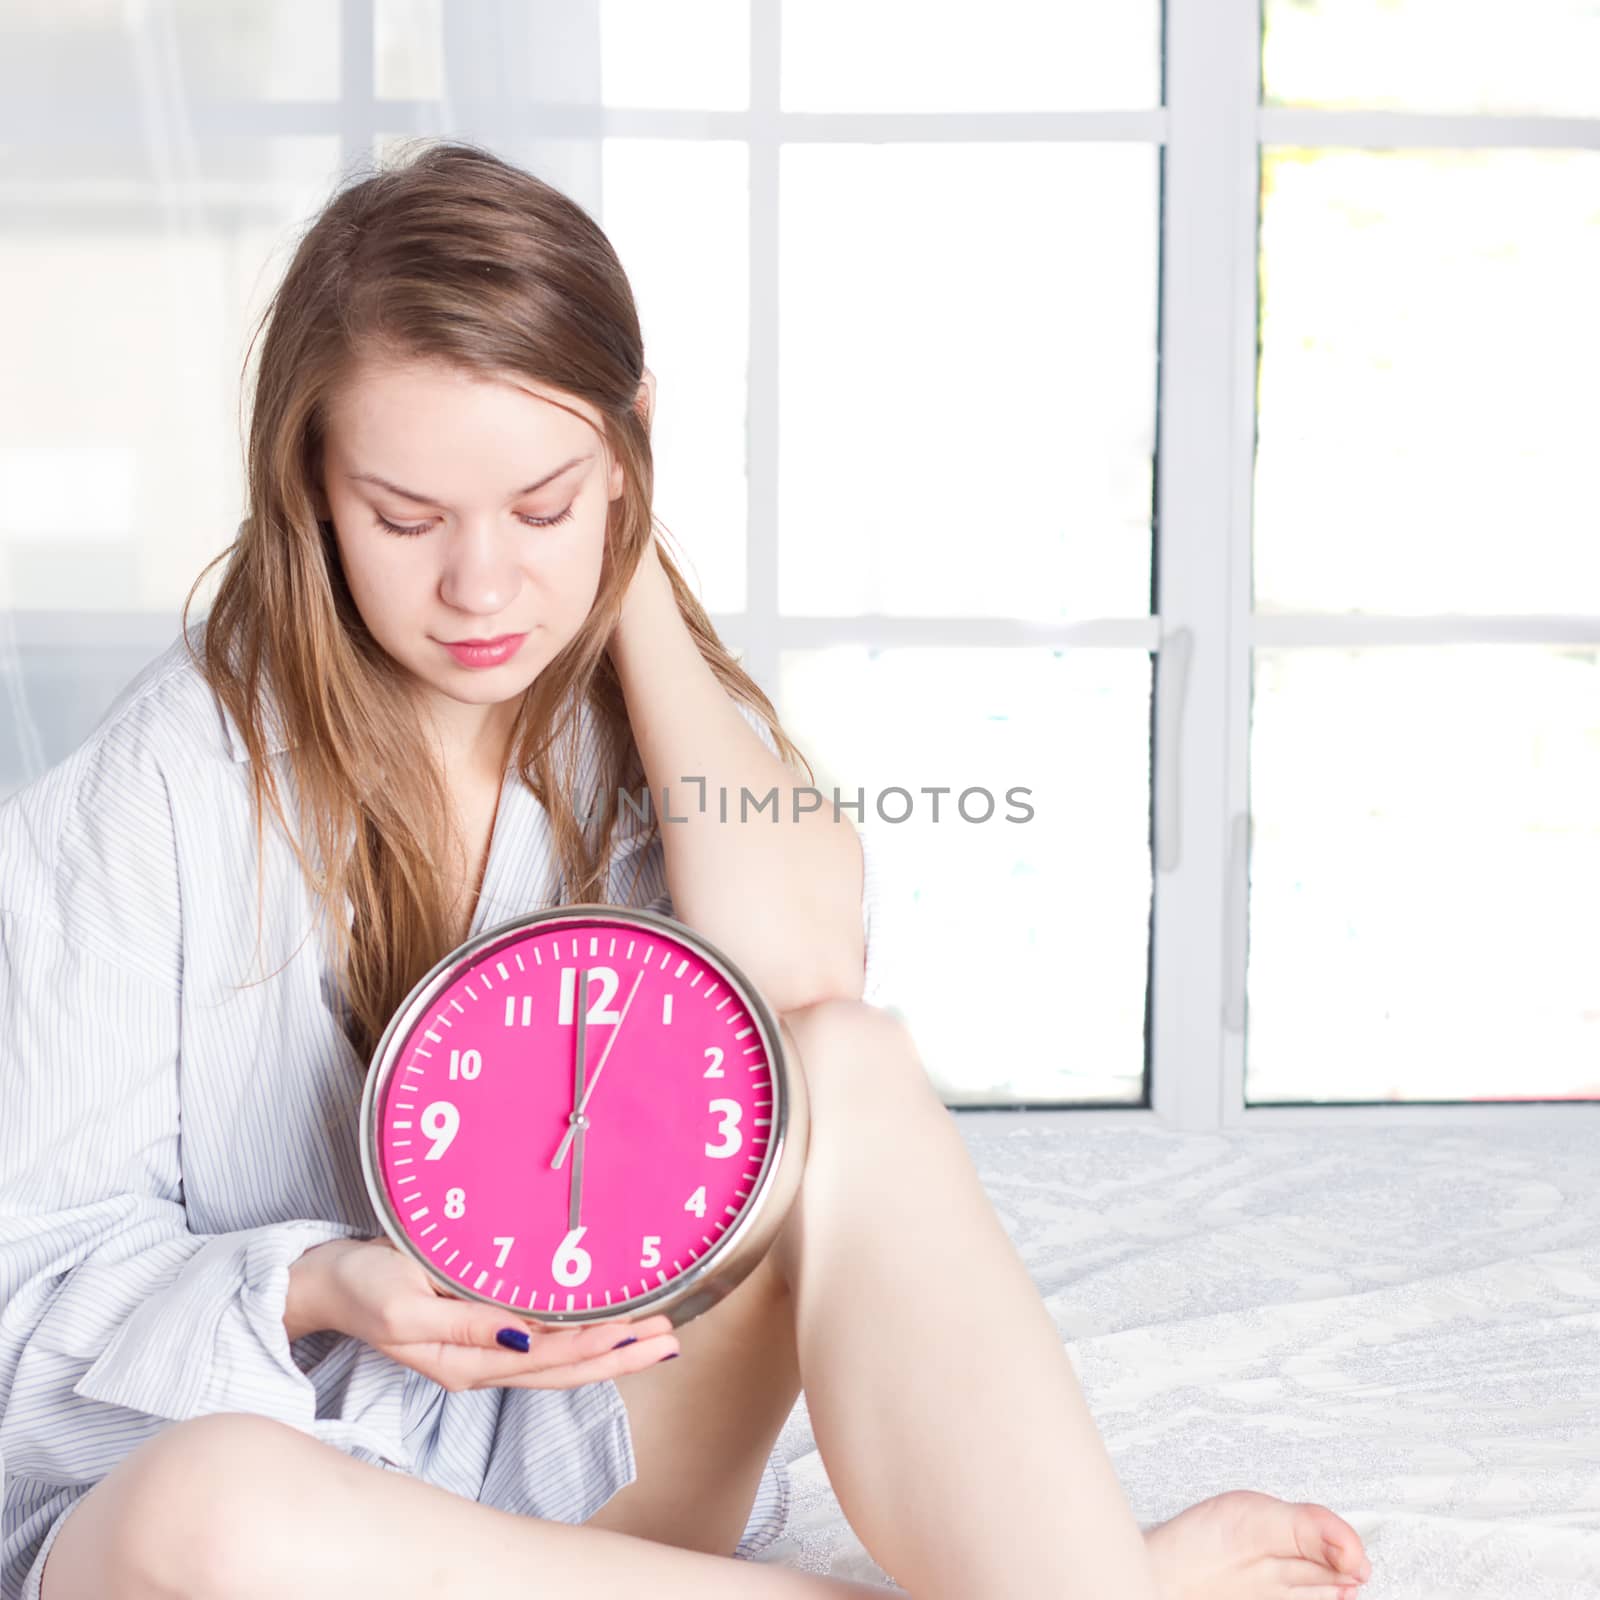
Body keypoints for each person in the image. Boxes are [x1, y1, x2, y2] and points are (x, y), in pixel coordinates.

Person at [0, 138, 1373, 1600]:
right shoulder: (157, 789)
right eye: (406, 519)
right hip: (272, 1507)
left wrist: (630, 557)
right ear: (314, 490)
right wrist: (324, 1285)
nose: (481, 589)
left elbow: (801, 990)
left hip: (576, 1444)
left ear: (625, 449)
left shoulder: (633, 719)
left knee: (841, 1064)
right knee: (212, 1512)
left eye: (543, 504)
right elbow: (24, 1329)